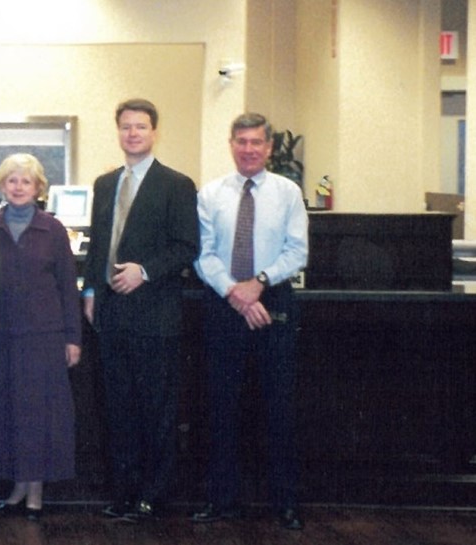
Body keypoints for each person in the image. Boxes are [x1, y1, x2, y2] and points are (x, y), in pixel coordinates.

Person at [190, 113, 308, 531]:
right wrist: (236, 293)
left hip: (273, 301)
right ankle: (222, 501)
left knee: (277, 407)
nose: (249, 149)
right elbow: (203, 255)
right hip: (224, 305)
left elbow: (297, 252)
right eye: (241, 141)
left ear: (270, 147)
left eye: (256, 142)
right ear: (231, 143)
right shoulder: (211, 194)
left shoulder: (288, 193)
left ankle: (284, 503)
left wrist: (257, 284)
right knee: (221, 407)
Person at [82, 98, 199, 522]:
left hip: (154, 317)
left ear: (154, 132)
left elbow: (188, 246)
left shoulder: (176, 184)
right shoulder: (104, 183)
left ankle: (155, 494)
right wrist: (92, 291)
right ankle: (125, 492)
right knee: (119, 410)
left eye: (141, 127)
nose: (133, 133)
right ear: (119, 132)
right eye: (126, 127)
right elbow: (99, 242)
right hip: (110, 314)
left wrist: (145, 271)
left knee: (156, 409)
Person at [0, 154, 82, 522]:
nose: (19, 187)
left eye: (26, 181)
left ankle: (36, 490)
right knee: (10, 411)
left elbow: (67, 288)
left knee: (39, 415)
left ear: (38, 187)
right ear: (2, 186)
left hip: (44, 336)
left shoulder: (54, 230)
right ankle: (19, 485)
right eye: (12, 180)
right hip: (2, 336)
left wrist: (72, 338)